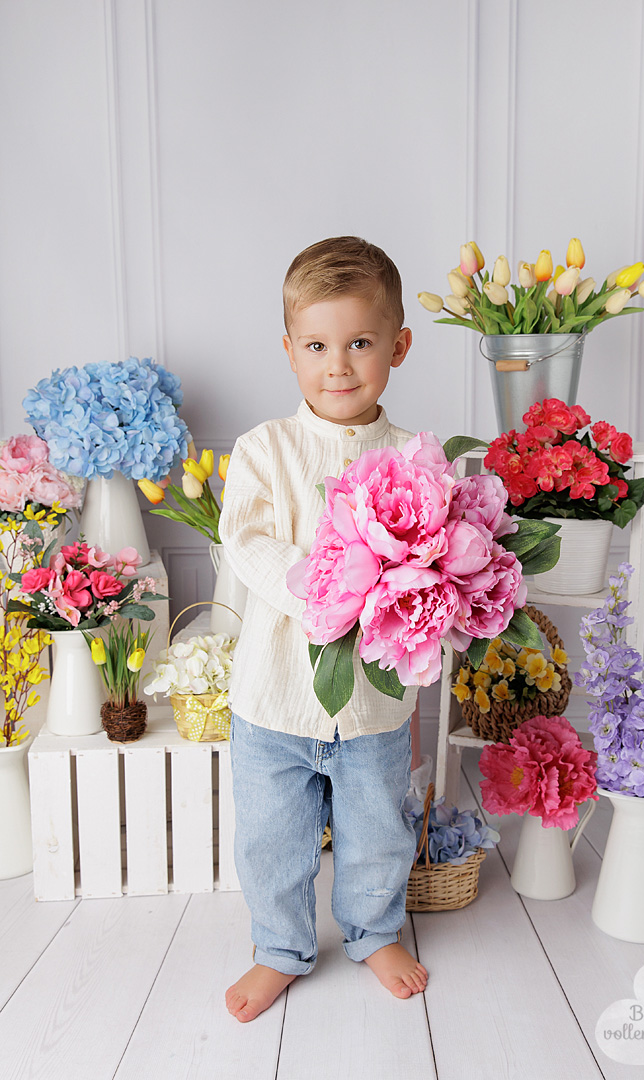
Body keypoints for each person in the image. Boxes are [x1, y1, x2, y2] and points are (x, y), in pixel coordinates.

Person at [219, 236, 428, 1024]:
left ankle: (375, 932)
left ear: (397, 346)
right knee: (271, 840)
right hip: (274, 700)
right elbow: (247, 539)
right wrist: (332, 587)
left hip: (372, 707)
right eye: (317, 345)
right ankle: (279, 946)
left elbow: (430, 554)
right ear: (289, 351)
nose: (338, 365)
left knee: (378, 828)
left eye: (360, 343)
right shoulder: (263, 450)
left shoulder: (413, 456)